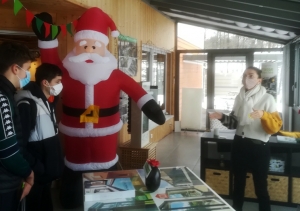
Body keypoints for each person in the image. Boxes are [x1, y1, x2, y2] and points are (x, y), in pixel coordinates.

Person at [31, 8, 166, 208]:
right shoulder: (65, 71)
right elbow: (50, 64)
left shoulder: (115, 74)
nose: (89, 50)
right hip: (74, 135)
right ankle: (72, 201)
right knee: (73, 176)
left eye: (94, 46)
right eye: (83, 45)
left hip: (106, 135)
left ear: (104, 47)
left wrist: (151, 107)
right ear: (76, 45)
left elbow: (136, 91)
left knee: (107, 173)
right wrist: (48, 39)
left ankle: (107, 200)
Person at [210, 66, 282, 211]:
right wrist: (222, 117)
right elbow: (234, 123)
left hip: (259, 148)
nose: (246, 79)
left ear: (259, 80)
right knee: (238, 184)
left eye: (250, 75)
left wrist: (264, 115)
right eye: (244, 76)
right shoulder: (240, 97)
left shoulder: (268, 98)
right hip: (239, 145)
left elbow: (275, 127)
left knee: (261, 186)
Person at [15, 63, 64, 211]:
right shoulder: (27, 104)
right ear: (45, 82)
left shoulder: (47, 101)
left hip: (45, 175)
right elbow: (19, 143)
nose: (60, 85)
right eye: (58, 81)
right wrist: (38, 168)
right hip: (35, 176)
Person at [0, 41, 35, 211]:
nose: (27, 74)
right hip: (3, 186)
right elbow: (8, 153)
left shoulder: (6, 93)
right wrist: (28, 173)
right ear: (15, 69)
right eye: (27, 69)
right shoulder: (2, 98)